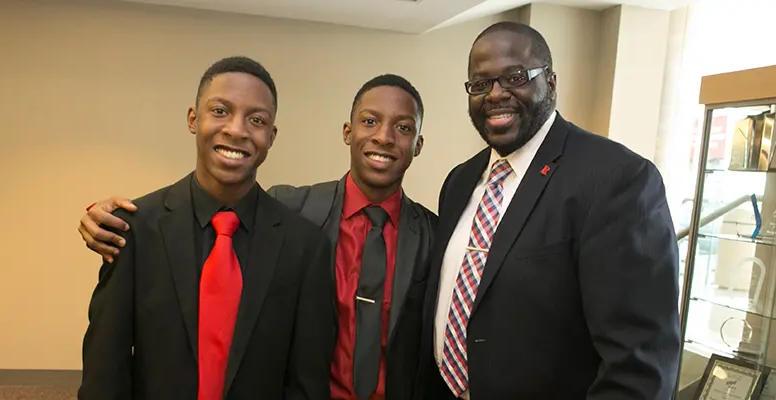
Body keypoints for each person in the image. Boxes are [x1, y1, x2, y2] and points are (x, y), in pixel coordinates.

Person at [76, 74, 436, 400]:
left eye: (403, 128)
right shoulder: (294, 210)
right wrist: (101, 214)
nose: (384, 137)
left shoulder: (432, 235)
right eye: (220, 110)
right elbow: (106, 366)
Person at [417, 22, 681, 399]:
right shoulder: (459, 182)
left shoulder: (616, 180)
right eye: (480, 84)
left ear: (551, 83)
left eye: (515, 77)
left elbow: (640, 365)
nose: (495, 94)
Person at [77, 56, 336, 400]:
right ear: (192, 119)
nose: (237, 129)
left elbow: (307, 383)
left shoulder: (305, 246)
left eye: (256, 120)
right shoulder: (135, 229)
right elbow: (105, 372)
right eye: (220, 111)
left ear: (271, 136)